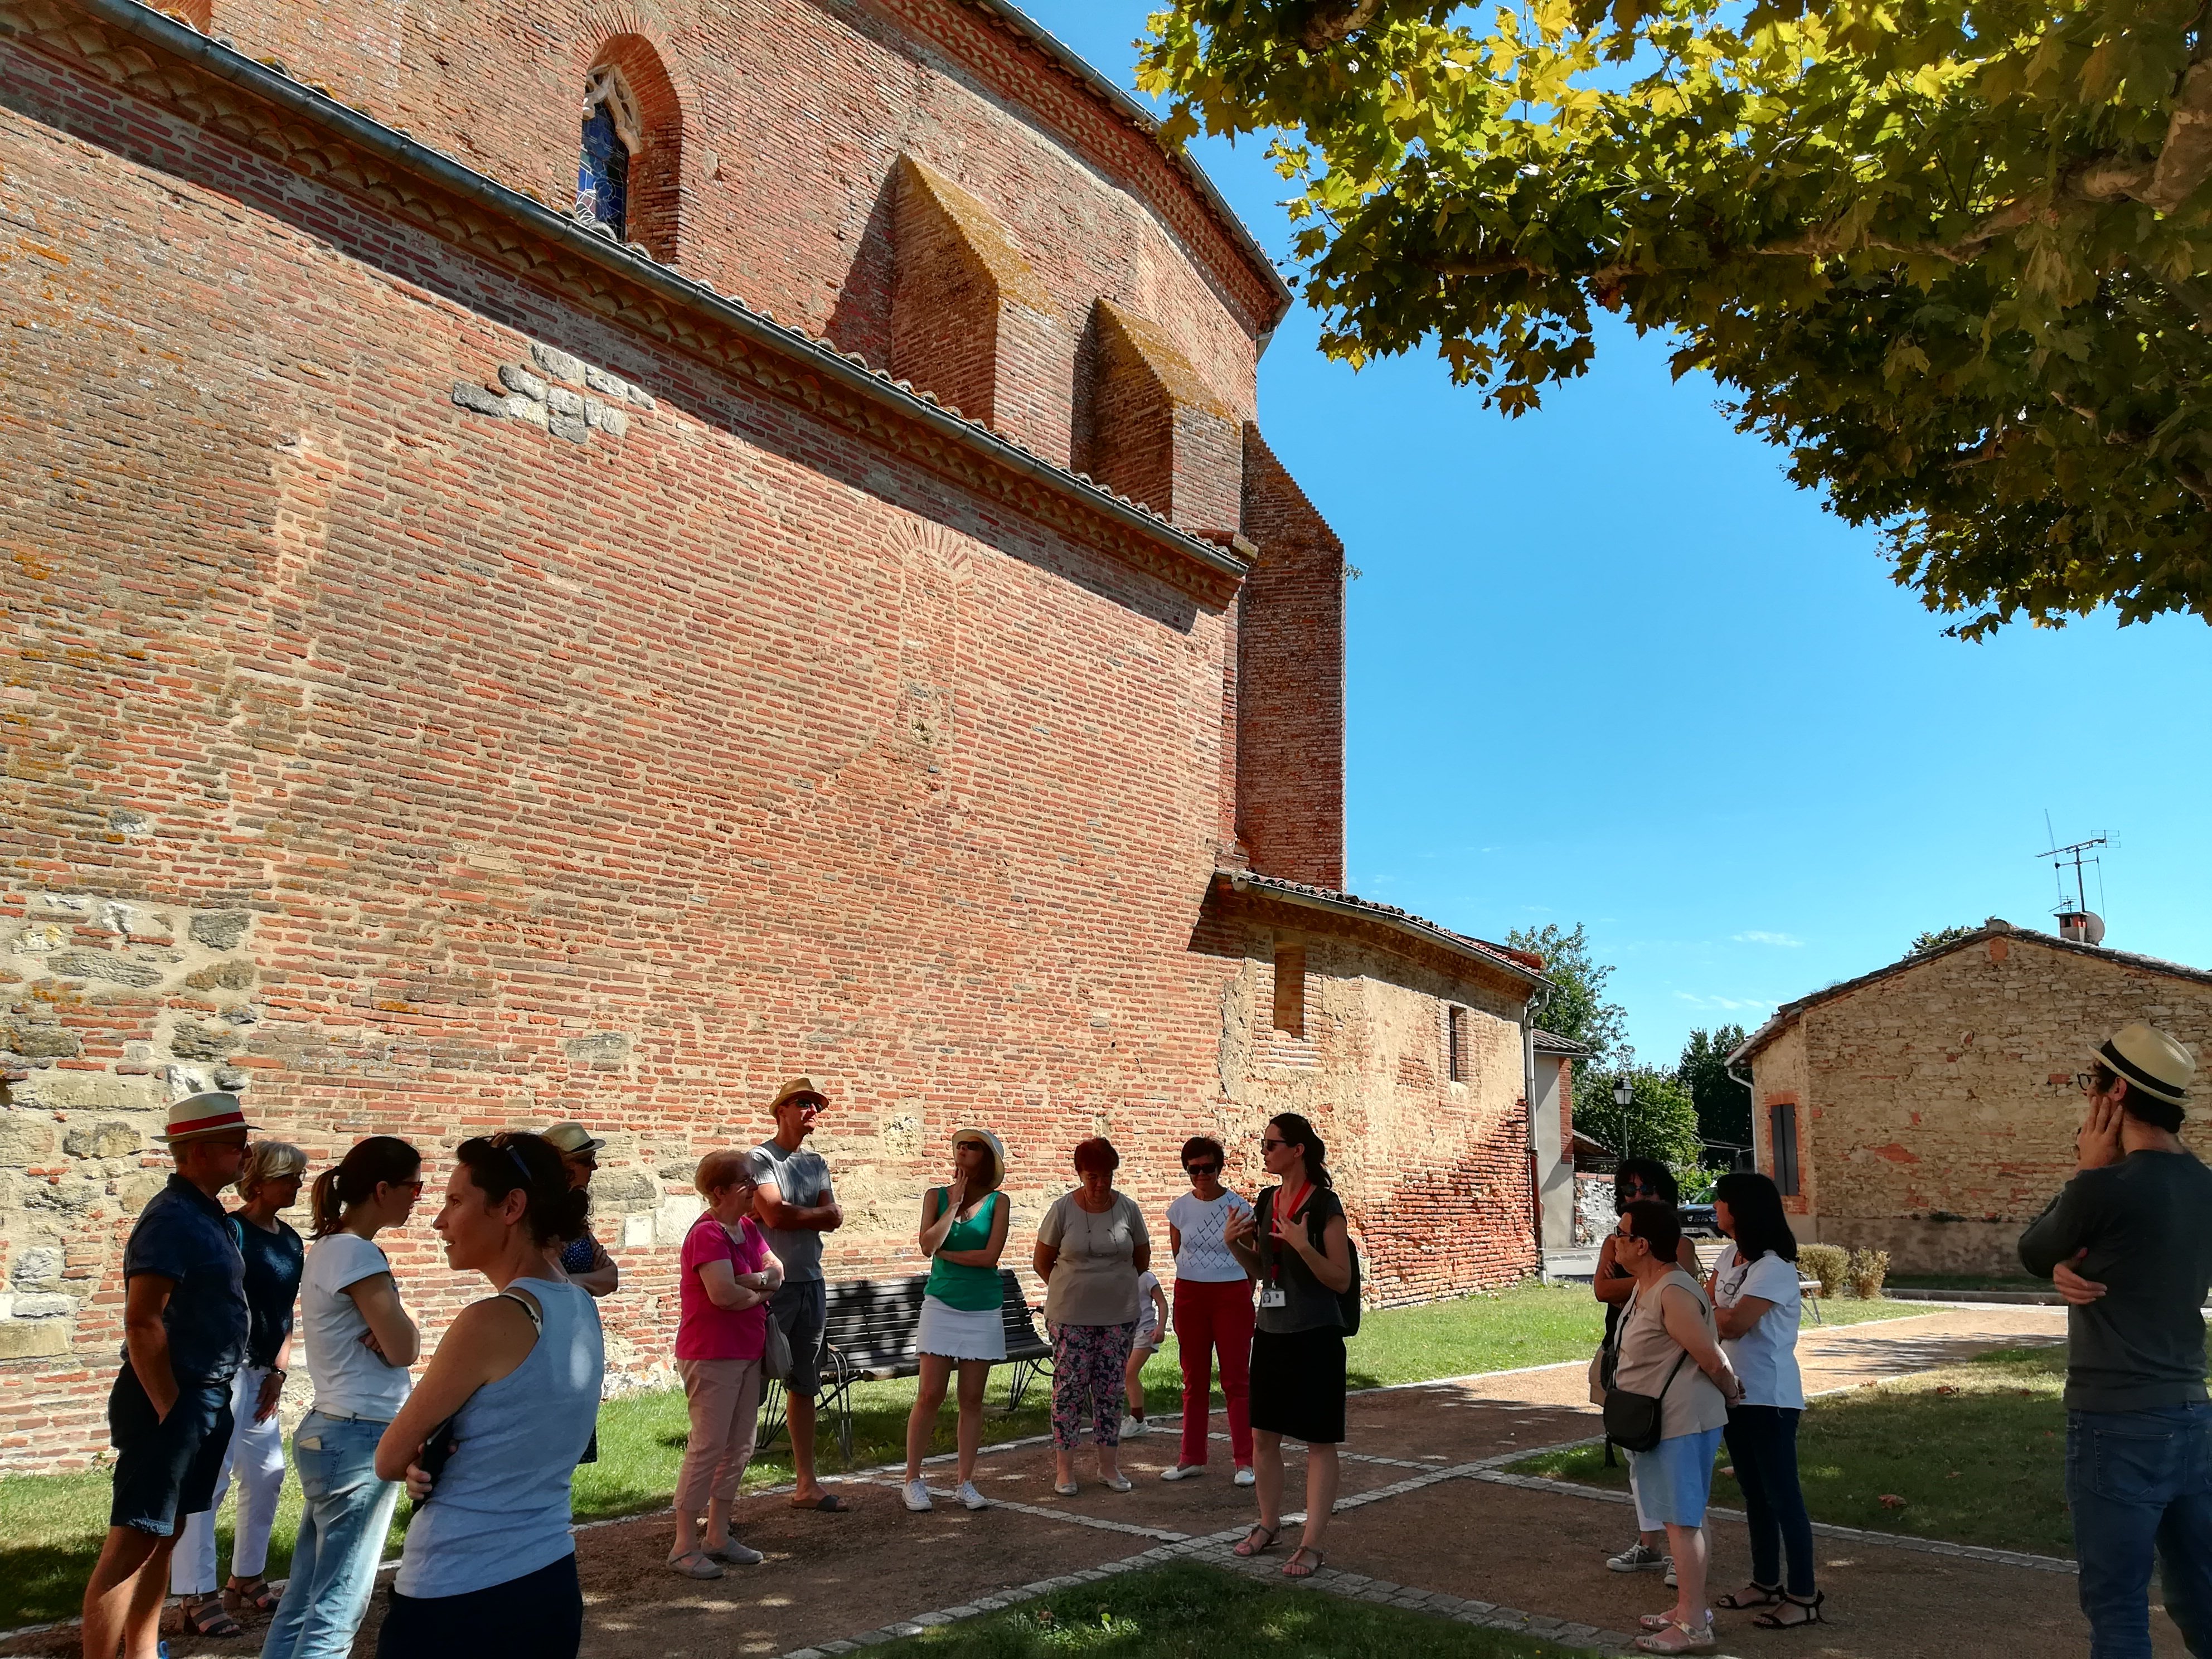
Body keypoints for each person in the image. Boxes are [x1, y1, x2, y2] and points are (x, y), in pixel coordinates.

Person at [2020, 1023, 2212, 1659]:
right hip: (2191, 1412)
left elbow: (2031, 1250)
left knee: (2117, 1605)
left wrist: (2084, 1170)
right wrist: (2070, 1259)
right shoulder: (2204, 1185)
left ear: (2116, 1093)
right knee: (2200, 1595)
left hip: (2114, 1420)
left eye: (2090, 1084)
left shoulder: (2104, 1187)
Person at [375, 1132, 603, 1659]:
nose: (439, 1221)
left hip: (460, 1589)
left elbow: (388, 1458)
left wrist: (414, 1456)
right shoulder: (580, 1306)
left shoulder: (491, 1320)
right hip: (548, 1578)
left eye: (455, 1201)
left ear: (511, 1207)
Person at [80, 1093, 254, 1659]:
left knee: (164, 1538)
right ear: (201, 1152)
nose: (247, 1155)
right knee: (134, 1541)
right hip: (172, 1401)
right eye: (238, 1146)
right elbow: (142, 1320)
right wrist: (169, 1407)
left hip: (202, 1397)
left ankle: (142, 1651)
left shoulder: (207, 1215)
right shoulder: (171, 1217)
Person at [261, 1137, 421, 1659]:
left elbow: (392, 1339)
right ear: (382, 1189)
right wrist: (403, 1321)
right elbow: (403, 1348)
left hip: (333, 1427)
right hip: (359, 1435)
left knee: (304, 1600)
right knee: (337, 1610)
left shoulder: (331, 1246)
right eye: (413, 1186)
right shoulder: (356, 1252)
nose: (419, 1196)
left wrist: (394, 1321)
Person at [170, 1140, 309, 1638]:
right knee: (212, 1477)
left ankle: (245, 1575)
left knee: (269, 1472)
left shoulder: (291, 1241)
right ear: (259, 1181)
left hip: (262, 1375)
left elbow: (288, 1310)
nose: (298, 1184)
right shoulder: (232, 1230)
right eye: (289, 1176)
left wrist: (279, 1372)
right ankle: (195, 1591)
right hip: (224, 1370)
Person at [1609, 1198, 1744, 1655]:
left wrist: (1730, 1391)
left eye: (1622, 1234)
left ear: (1643, 1245)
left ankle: (1693, 1624)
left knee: (1684, 1522)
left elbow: (1711, 1356)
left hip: (1683, 1420)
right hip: (1663, 1420)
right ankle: (1690, 1608)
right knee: (1678, 1519)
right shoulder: (1646, 1286)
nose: (1615, 1241)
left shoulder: (1673, 1291)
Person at [1224, 1112, 1353, 1580]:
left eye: (1272, 1144)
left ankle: (1312, 1543)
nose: (1265, 1151)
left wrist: (1303, 1245)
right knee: (1263, 1438)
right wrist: (1235, 1246)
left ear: (1297, 1150)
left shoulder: (1324, 1206)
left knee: (1319, 1441)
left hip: (1316, 1335)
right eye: (1263, 1145)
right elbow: (1261, 1273)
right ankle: (1269, 1525)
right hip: (1272, 1334)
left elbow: (1340, 1280)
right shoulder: (1266, 1200)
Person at [1706, 1172, 1821, 1629]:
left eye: (1721, 1201)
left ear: (1742, 1209)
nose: (1715, 1207)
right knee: (1755, 1494)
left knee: (1783, 1497)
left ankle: (1804, 1595)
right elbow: (1713, 1306)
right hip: (1734, 1393)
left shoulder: (1774, 1267)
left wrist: (1707, 1312)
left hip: (1770, 1397)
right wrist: (1712, 1311)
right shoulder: (1731, 1254)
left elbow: (1732, 1324)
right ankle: (1766, 1581)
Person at [670, 1151, 782, 1576]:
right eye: (745, 1181)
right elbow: (721, 1295)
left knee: (739, 1445)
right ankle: (684, 1544)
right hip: (711, 1352)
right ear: (719, 1192)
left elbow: (778, 1270)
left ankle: (717, 1535)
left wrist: (752, 1285)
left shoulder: (747, 1228)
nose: (754, 1187)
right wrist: (760, 1289)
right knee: (708, 1446)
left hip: (746, 1349)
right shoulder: (708, 1234)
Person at [747, 1077, 850, 1512]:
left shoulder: (816, 1164)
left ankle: (806, 1484)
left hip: (811, 1281)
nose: (813, 1111)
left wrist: (801, 1216)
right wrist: (815, 1215)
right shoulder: (758, 1159)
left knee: (804, 1383)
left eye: (816, 1105)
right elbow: (773, 1213)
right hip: (771, 1288)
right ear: (782, 1111)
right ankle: (721, 1498)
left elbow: (835, 1217)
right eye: (803, 1103)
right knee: (748, 1388)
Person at [1034, 1136, 1149, 1495]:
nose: (1100, 1184)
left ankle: (1108, 1467)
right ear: (1080, 1174)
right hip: (1070, 1316)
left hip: (1118, 1315)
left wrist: (1114, 1285)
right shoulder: (1063, 1209)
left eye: (1107, 1176)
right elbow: (1042, 1261)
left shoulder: (1128, 1209)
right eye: (1092, 1177)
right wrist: (1074, 1289)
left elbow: (1141, 1258)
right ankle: (1065, 1470)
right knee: (1069, 1388)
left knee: (1111, 1388)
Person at [903, 1128, 1010, 1514]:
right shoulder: (937, 1196)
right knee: (930, 1393)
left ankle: (966, 1481)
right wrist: (953, 1207)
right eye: (959, 1146)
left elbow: (990, 1258)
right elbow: (928, 1245)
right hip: (942, 1303)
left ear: (986, 1158)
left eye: (972, 1147)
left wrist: (948, 1255)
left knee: (972, 1399)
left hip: (982, 1306)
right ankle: (913, 1478)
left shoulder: (1000, 1203)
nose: (962, 1151)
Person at [1595, 1157, 1690, 1581]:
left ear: (1664, 1194)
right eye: (1629, 1191)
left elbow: (1680, 1293)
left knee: (1673, 1456)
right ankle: (1648, 1543)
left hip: (1667, 1363)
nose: (1636, 1197)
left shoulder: (1679, 1244)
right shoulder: (1614, 1241)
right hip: (1623, 1354)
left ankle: (1680, 1552)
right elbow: (1602, 1289)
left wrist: (1641, 1275)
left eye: (1645, 1189)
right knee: (1637, 1451)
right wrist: (1653, 1276)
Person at [1160, 1135, 1257, 1485]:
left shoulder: (1240, 1208)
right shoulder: (1179, 1209)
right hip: (1190, 1295)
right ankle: (1192, 1457)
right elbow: (1178, 1253)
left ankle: (1245, 1461)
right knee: (1193, 1380)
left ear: (1219, 1168)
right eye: (1194, 1169)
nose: (1201, 1175)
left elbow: (1252, 1261)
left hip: (1231, 1295)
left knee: (1236, 1380)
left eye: (1208, 1168)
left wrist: (1242, 1293)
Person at [543, 1122, 620, 1297]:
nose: (595, 1167)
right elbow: (559, 1286)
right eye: (587, 1160)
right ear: (564, 1167)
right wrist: (590, 1279)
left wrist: (574, 1281)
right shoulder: (540, 1218)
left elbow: (612, 1278)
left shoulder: (574, 1213)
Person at [1118, 1267, 1168, 1439]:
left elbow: (1162, 1303)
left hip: (1146, 1332)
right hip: (1127, 1333)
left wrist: (1160, 1327)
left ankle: (1138, 1420)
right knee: (1124, 1375)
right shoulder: (1120, 1276)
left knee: (1129, 1373)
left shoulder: (1147, 1277)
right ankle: (1134, 1418)